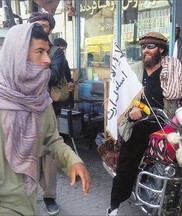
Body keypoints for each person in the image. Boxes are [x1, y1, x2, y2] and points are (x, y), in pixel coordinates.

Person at [106, 31, 182, 216]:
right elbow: (120, 101)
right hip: (140, 124)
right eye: (143, 47)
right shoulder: (133, 72)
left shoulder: (174, 71)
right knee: (127, 162)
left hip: (169, 123)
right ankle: (114, 205)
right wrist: (130, 112)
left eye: (150, 47)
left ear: (161, 49)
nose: (146, 51)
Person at [0, 23, 91, 215]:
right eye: (39, 52)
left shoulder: (40, 99)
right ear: (18, 55)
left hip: (28, 202)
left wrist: (73, 161)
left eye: (47, 52)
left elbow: (52, 140)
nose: (47, 60)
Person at [28, 12, 71, 215]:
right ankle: (26, 195)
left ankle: (49, 197)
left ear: (50, 29)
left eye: (43, 25)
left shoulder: (55, 52)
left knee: (49, 154)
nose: (38, 28)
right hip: (24, 111)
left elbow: (52, 77)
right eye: (34, 24)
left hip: (47, 110)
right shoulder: (21, 50)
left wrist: (28, 70)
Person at [53, 37, 75, 109]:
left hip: (64, 95)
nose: (63, 52)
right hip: (54, 95)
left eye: (64, 50)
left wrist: (71, 83)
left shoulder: (65, 62)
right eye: (61, 50)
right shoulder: (49, 62)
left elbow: (68, 77)